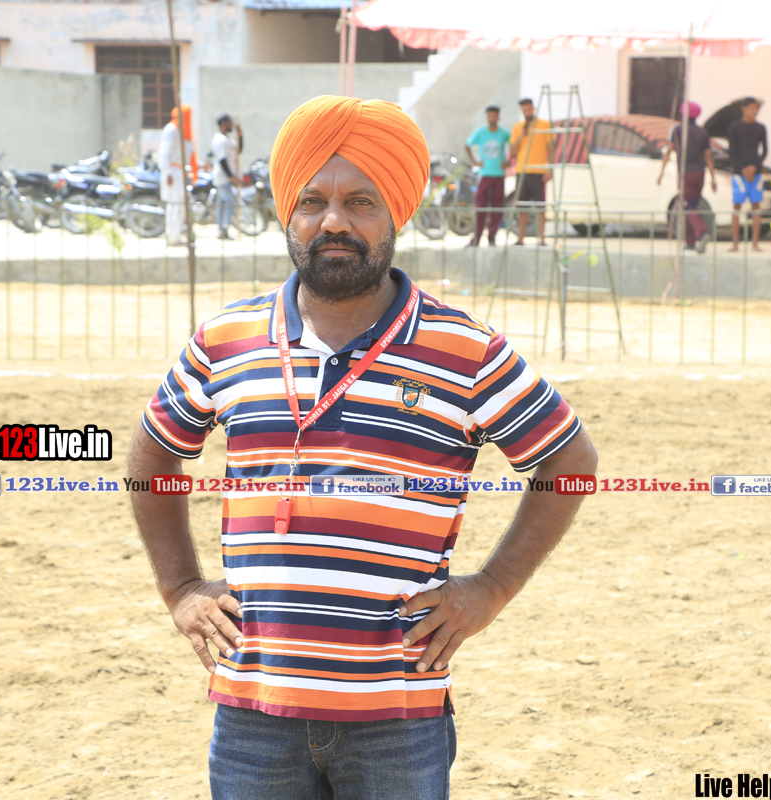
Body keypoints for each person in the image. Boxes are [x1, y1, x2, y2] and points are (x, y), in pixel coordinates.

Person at [127, 95, 597, 800]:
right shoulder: (227, 340)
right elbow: (153, 450)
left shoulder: (465, 350)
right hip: (253, 713)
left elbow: (569, 458)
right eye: (312, 201)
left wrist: (491, 589)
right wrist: (181, 589)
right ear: (288, 213)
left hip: (396, 717)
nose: (334, 221)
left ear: (395, 213)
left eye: (360, 202)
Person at [657, 101, 717, 252]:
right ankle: (690, 242)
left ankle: (702, 233)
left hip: (686, 174)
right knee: (691, 204)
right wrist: (713, 178)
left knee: (686, 205)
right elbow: (709, 156)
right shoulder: (703, 132)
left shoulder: (678, 130)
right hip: (700, 174)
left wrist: (661, 173)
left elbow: (669, 150)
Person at [464, 105, 512, 246]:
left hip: (499, 174)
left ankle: (492, 238)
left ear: (498, 117)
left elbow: (513, 146)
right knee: (480, 207)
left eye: (494, 115)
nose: (492, 118)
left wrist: (508, 161)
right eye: (490, 115)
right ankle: (476, 238)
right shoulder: (480, 133)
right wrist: (475, 162)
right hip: (485, 174)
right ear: (487, 117)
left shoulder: (504, 134)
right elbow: (467, 145)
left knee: (497, 208)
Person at [509, 97, 553, 246]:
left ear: (533, 108)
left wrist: (550, 169)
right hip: (522, 171)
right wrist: (521, 135)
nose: (527, 112)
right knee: (522, 207)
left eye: (529, 109)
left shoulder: (544, 125)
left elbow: (551, 148)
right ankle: (521, 239)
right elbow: (512, 150)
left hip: (539, 172)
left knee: (541, 208)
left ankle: (542, 239)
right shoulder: (518, 127)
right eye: (524, 110)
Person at [726, 97, 767, 252]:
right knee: (737, 207)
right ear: (744, 108)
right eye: (751, 108)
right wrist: (743, 169)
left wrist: (754, 167)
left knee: (756, 207)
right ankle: (735, 243)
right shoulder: (734, 127)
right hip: (739, 174)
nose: (754, 111)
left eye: (756, 108)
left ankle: (755, 243)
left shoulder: (760, 128)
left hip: (755, 174)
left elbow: (765, 151)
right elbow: (732, 151)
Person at [158, 106, 195, 246]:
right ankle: (172, 237)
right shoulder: (171, 130)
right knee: (175, 205)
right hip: (172, 173)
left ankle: (176, 236)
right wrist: (167, 173)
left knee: (181, 207)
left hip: (181, 172)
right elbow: (164, 154)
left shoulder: (184, 132)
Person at [211, 113, 244, 240]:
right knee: (230, 202)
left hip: (227, 178)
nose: (232, 125)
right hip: (223, 178)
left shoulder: (228, 140)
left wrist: (240, 135)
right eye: (230, 122)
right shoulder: (220, 140)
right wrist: (232, 177)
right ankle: (224, 228)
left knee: (222, 204)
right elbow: (222, 161)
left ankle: (221, 230)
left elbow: (238, 151)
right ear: (224, 123)